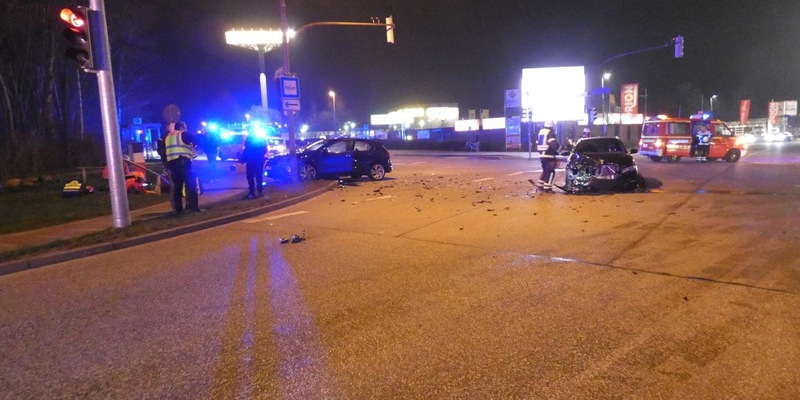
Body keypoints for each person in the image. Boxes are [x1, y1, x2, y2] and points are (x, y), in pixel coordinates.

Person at [165, 121, 201, 213]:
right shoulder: (182, 134)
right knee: (191, 185)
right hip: (183, 162)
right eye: (185, 127)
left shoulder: (168, 137)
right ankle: (193, 208)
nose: (186, 129)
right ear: (181, 127)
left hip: (172, 164)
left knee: (178, 187)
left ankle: (178, 209)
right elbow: (196, 140)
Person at [239, 131, 268, 199]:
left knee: (250, 177)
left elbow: (246, 151)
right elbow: (265, 150)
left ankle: (252, 193)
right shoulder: (261, 139)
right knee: (259, 177)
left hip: (251, 161)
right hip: (259, 160)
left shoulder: (249, 139)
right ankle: (260, 192)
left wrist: (243, 159)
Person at [534, 122, 559, 191]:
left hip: (542, 155)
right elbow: (554, 145)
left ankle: (540, 185)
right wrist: (561, 148)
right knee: (551, 171)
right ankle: (547, 188)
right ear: (552, 127)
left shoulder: (540, 132)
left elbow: (537, 144)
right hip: (549, 155)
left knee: (545, 171)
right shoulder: (550, 133)